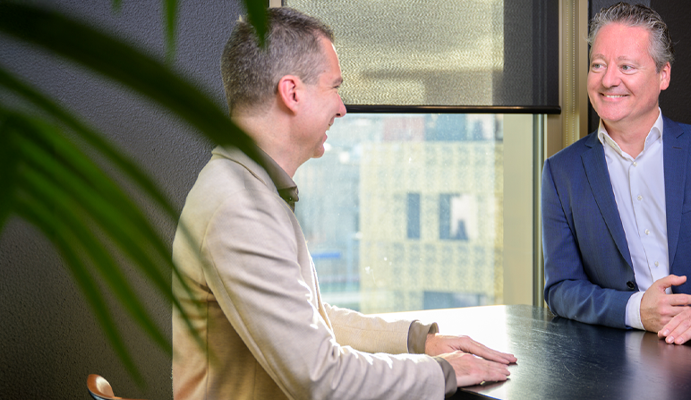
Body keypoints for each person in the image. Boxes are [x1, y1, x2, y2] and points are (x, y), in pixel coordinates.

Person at [172, 7, 515, 399]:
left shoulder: (248, 188)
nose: (342, 107)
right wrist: (441, 372)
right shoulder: (239, 208)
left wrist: (419, 340)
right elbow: (323, 379)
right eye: (334, 87)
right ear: (292, 92)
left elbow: (311, 322)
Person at [542, 3, 691, 346]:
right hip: (619, 371)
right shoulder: (560, 172)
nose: (608, 79)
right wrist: (635, 310)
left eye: (626, 66)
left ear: (664, 75)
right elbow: (561, 289)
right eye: (598, 65)